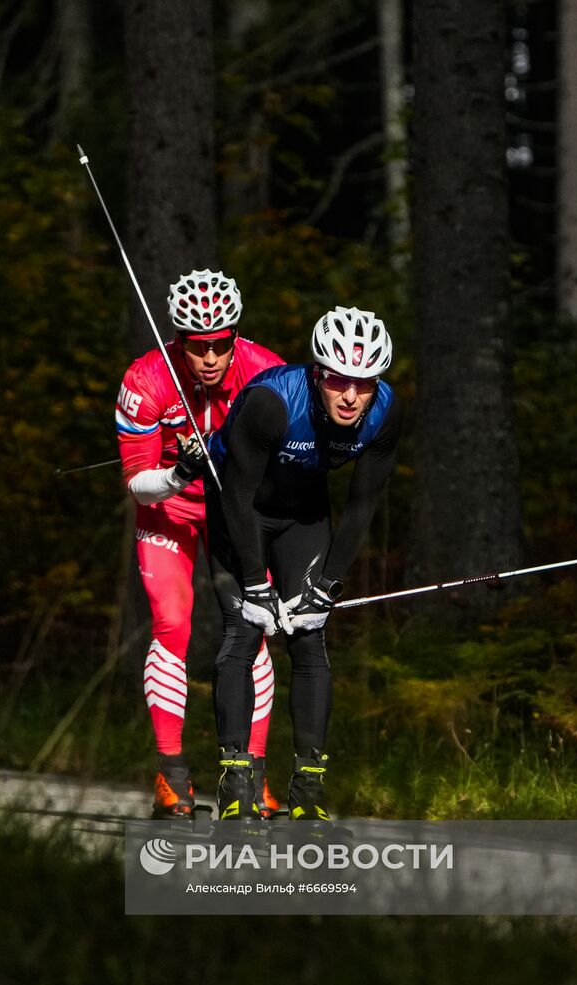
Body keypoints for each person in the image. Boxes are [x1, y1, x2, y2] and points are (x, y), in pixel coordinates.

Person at [205, 305, 400, 821]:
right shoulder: (272, 402)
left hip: (303, 515)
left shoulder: (383, 412)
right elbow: (237, 497)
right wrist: (254, 584)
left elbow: (362, 504)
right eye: (338, 381)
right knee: (244, 632)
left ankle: (308, 794)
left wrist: (327, 587)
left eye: (364, 382)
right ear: (318, 374)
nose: (352, 395)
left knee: (309, 637)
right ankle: (235, 782)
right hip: (238, 506)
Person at [115, 268, 285, 819]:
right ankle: (172, 777)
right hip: (168, 507)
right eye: (197, 346)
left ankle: (251, 778)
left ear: (235, 335)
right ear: (178, 340)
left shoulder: (269, 374)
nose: (210, 358)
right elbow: (137, 483)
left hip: (235, 511)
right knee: (172, 623)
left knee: (253, 626)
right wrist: (177, 475)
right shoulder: (145, 380)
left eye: (220, 344)